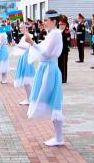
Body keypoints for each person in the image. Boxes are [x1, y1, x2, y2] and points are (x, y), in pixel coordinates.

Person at [24, 10, 64, 147]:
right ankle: (58, 137)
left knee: (54, 101)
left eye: (46, 20)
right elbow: (42, 49)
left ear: (54, 21)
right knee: (52, 101)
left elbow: (46, 52)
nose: (44, 22)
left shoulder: (56, 34)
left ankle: (59, 137)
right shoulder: (51, 34)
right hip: (46, 68)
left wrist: (32, 43)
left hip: (50, 69)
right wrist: (31, 43)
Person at [13, 22, 36, 105]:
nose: (20, 29)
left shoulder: (28, 36)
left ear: (26, 28)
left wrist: (17, 45)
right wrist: (16, 46)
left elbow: (27, 47)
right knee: (26, 81)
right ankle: (29, 98)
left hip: (26, 58)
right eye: (20, 28)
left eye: (22, 28)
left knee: (27, 80)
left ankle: (30, 99)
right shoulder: (24, 37)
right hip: (23, 57)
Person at [58, 15, 71, 83]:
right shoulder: (58, 31)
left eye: (62, 24)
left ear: (65, 25)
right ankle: (60, 77)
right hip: (59, 51)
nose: (61, 26)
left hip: (64, 51)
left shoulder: (66, 32)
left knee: (64, 65)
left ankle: (64, 78)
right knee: (59, 64)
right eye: (60, 24)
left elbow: (67, 42)